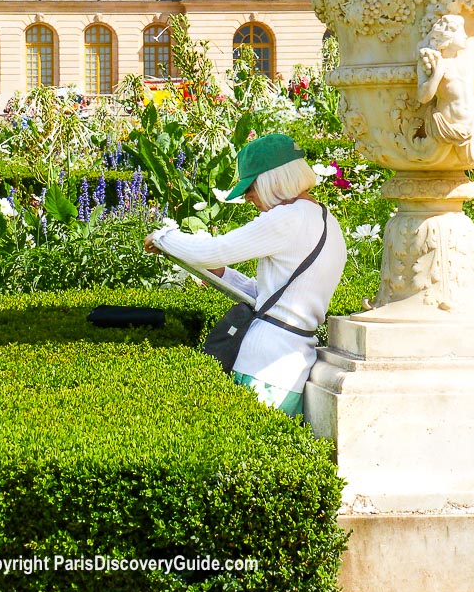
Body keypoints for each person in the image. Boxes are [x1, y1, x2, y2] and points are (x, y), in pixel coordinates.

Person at [143, 134, 347, 417]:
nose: (249, 197)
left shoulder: (287, 218)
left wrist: (164, 237)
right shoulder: (327, 220)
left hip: (263, 365)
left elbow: (213, 250)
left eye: (251, 187)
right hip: (291, 368)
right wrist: (223, 274)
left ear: (273, 180)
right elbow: (275, 297)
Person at [416, 0, 474, 150]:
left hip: (470, 125)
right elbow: (423, 97)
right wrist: (437, 75)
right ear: (448, 37)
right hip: (446, 127)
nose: (466, 35)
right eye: (461, 32)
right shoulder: (434, 61)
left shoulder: (467, 54)